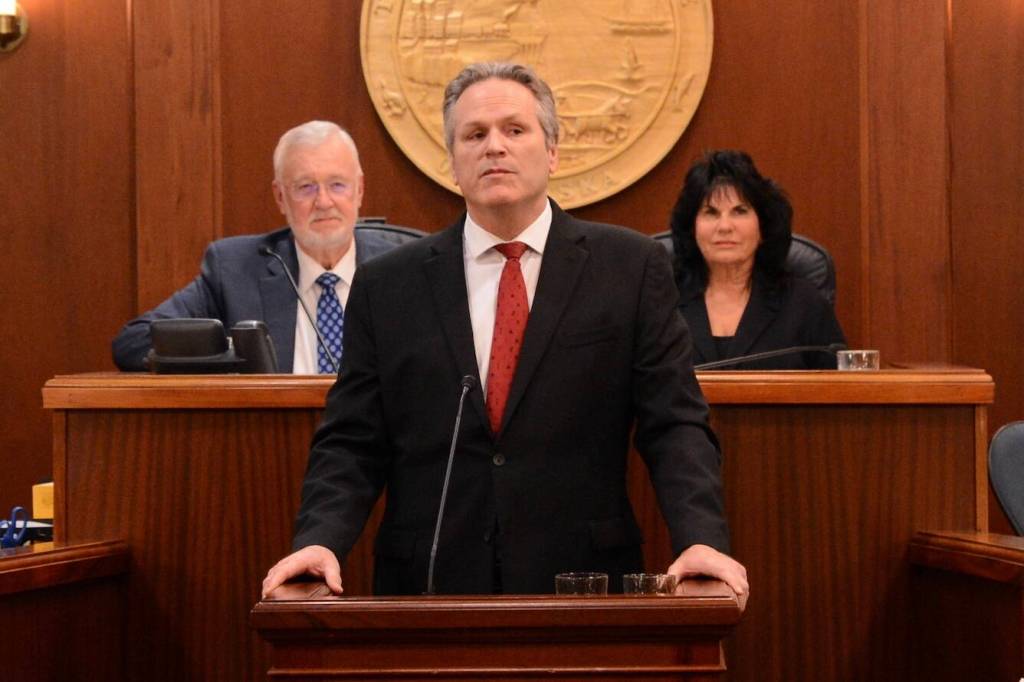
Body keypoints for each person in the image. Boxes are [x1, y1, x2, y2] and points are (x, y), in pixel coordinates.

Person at [263, 63, 748, 601]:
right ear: (452, 162)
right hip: (429, 587)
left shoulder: (629, 268)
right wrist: (320, 540)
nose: (494, 146)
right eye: (474, 135)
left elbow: (675, 423)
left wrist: (701, 539)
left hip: (582, 582)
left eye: (514, 130)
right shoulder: (388, 285)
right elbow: (352, 438)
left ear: (552, 151)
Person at [111, 121, 404, 373]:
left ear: (359, 190)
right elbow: (133, 341)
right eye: (306, 187)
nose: (324, 202)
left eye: (337, 185)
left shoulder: (402, 270)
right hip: (275, 423)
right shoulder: (235, 271)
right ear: (280, 197)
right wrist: (229, 354)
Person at [669, 150, 846, 369]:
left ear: (763, 226)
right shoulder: (664, 303)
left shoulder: (804, 304)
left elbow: (839, 385)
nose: (725, 226)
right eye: (711, 213)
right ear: (692, 228)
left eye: (739, 211)